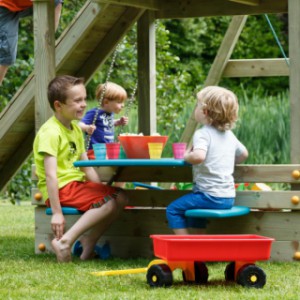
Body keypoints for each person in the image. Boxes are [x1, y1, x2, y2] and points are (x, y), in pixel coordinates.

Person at [33, 75, 128, 262]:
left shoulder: (76, 130)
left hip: (75, 185)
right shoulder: (50, 132)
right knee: (108, 202)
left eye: (84, 99)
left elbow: (86, 167)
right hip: (60, 188)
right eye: (77, 101)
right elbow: (51, 176)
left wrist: (101, 188)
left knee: (121, 197)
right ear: (58, 105)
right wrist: (57, 213)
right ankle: (65, 241)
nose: (84, 104)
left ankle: (89, 241)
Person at [166, 86, 248, 234]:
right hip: (228, 197)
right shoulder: (229, 134)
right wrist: (225, 161)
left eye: (197, 105)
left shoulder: (203, 133)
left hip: (209, 196)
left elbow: (198, 157)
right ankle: (199, 252)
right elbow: (243, 155)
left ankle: (187, 249)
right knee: (195, 213)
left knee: (173, 209)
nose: (195, 108)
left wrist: (184, 156)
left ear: (205, 111)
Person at [0, 0, 63, 86]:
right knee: (7, 53)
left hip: (24, 5)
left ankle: (47, 43)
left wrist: (48, 41)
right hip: (6, 5)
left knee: (56, 1)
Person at [79, 81, 128, 159]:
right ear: (106, 102)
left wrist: (118, 122)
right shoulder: (94, 112)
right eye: (119, 102)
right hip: (95, 151)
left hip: (108, 150)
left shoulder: (110, 113)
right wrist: (87, 128)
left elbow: (106, 124)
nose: (123, 105)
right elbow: (79, 124)